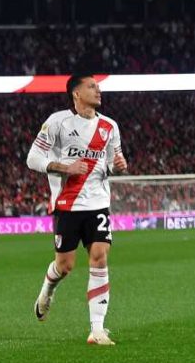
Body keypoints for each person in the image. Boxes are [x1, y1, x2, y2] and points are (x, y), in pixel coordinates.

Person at [27, 73, 127, 345]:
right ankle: (47, 290)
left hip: (98, 203)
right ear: (76, 93)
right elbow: (33, 158)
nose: (98, 90)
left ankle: (97, 329)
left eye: (98, 86)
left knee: (99, 256)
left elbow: (111, 163)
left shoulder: (110, 126)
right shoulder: (57, 122)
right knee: (65, 265)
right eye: (92, 86)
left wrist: (117, 167)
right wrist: (64, 167)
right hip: (67, 203)